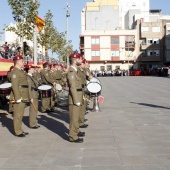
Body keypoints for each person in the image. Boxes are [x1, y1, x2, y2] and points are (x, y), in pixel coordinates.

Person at [67, 52, 85, 143]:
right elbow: (72, 87)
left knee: (76, 117)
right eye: (79, 59)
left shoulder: (75, 70)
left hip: (78, 97)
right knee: (74, 118)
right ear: (75, 60)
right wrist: (76, 100)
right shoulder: (71, 71)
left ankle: (76, 131)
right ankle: (72, 136)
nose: (80, 61)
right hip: (75, 99)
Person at [10, 55, 29, 137]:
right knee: (17, 115)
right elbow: (14, 85)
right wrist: (17, 97)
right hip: (19, 95)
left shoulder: (20, 71)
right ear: (17, 62)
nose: (23, 62)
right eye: (22, 61)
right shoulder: (15, 72)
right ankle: (17, 131)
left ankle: (20, 129)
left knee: (20, 114)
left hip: (23, 95)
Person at [25, 64, 40, 129]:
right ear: (29, 70)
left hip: (35, 93)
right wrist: (30, 97)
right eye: (32, 69)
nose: (33, 70)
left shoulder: (31, 76)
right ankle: (32, 124)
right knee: (33, 109)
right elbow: (29, 88)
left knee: (35, 109)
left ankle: (34, 122)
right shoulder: (28, 77)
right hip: (32, 94)